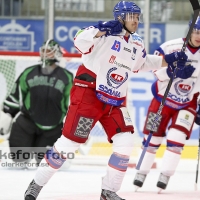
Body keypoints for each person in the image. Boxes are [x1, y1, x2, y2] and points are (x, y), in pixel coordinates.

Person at [24, 1, 189, 200]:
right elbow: (79, 40)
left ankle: (109, 191)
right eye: (132, 17)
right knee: (69, 143)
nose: (136, 21)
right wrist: (101, 29)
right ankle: (37, 183)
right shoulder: (103, 34)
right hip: (89, 95)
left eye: (138, 17)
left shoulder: (137, 42)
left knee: (126, 142)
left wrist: (168, 61)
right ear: (120, 17)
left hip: (115, 101)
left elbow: (141, 63)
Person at [133, 16, 200, 192]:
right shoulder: (170, 47)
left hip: (188, 103)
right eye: (196, 31)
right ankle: (141, 172)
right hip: (162, 101)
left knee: (177, 139)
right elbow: (152, 66)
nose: (198, 35)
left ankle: (165, 175)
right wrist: (171, 71)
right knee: (152, 138)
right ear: (189, 30)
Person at [0, 39, 73, 168]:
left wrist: (74, 125)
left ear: (57, 54)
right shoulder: (29, 72)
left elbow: (73, 103)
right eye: (43, 51)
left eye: (49, 51)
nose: (45, 54)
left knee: (47, 165)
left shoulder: (67, 77)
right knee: (19, 160)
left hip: (53, 127)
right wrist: (7, 115)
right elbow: (16, 96)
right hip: (27, 123)